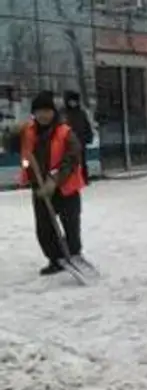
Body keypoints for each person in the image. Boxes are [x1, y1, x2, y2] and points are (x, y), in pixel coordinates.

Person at [13, 91, 87, 275]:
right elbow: (10, 145)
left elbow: (72, 158)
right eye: (39, 111)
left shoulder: (65, 132)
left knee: (70, 225)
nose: (43, 115)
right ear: (33, 113)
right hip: (40, 186)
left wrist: (54, 179)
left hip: (65, 187)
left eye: (47, 110)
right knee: (44, 228)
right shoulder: (27, 131)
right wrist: (11, 133)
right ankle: (56, 259)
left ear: (53, 112)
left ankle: (74, 256)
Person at [61, 90, 94, 184]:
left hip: (80, 140)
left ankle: (84, 178)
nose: (73, 103)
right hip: (67, 142)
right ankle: (69, 179)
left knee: (82, 161)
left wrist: (89, 136)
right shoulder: (63, 113)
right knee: (69, 161)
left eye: (74, 101)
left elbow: (86, 125)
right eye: (71, 101)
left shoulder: (81, 113)